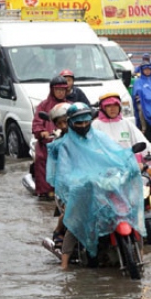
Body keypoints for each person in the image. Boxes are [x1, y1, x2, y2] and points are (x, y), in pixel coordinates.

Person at [46, 102, 143, 270]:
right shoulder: (65, 145)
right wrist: (77, 180)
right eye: (79, 123)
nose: (83, 126)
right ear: (71, 123)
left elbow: (115, 153)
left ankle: (141, 251)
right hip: (81, 188)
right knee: (76, 223)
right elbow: (64, 170)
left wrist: (128, 162)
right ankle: (64, 264)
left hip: (103, 185)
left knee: (128, 212)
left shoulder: (99, 137)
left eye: (86, 122)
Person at [31, 76, 70, 199]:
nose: (60, 92)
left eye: (63, 90)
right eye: (57, 89)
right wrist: (42, 132)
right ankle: (45, 192)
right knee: (42, 159)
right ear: (52, 90)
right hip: (47, 144)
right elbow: (37, 123)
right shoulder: (43, 106)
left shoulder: (69, 106)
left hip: (66, 142)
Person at [92, 92, 151, 159]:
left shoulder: (126, 123)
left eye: (115, 105)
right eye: (108, 105)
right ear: (102, 108)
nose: (112, 108)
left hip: (129, 166)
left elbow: (139, 139)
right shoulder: (96, 125)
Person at [46, 102, 71, 249]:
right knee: (70, 209)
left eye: (65, 121)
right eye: (59, 123)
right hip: (68, 183)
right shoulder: (58, 144)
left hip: (89, 178)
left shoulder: (89, 137)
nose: (63, 125)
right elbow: (56, 167)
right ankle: (58, 231)